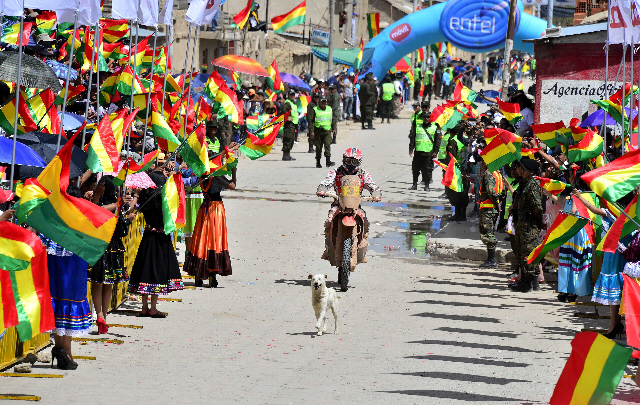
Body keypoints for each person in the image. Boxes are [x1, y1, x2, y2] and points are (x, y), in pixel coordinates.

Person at [45, 185, 92, 371]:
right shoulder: (77, 223)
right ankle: (65, 352)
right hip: (72, 274)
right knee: (67, 306)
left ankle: (61, 350)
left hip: (58, 273)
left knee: (59, 309)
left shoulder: (52, 225)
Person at [128, 171, 184, 315]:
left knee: (145, 269)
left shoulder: (145, 197)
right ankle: (153, 308)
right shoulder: (164, 198)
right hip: (161, 238)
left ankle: (144, 307)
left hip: (148, 237)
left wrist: (136, 195)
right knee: (157, 270)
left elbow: (131, 209)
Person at [316, 148, 382, 270]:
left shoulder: (363, 174)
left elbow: (372, 185)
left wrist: (376, 193)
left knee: (366, 224)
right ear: (343, 160)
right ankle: (328, 248)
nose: (351, 165)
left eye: (354, 162)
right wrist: (322, 189)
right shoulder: (336, 172)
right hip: (338, 204)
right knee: (328, 222)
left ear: (359, 162)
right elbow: (326, 182)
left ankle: (362, 247)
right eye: (348, 161)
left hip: (355, 206)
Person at [87, 175, 131, 335]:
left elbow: (93, 213)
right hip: (113, 248)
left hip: (98, 246)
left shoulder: (97, 204)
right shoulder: (118, 206)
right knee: (108, 284)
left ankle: (99, 314)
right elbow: (122, 229)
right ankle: (104, 316)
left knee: (97, 283)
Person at [509, 159, 544, 292]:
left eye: (521, 169)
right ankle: (528, 281)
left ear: (530, 171)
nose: (519, 170)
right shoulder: (524, 184)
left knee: (528, 252)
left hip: (529, 225)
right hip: (521, 224)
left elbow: (537, 207)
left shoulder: (533, 185)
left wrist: (541, 222)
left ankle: (528, 283)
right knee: (522, 252)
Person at [478, 160, 505, 268]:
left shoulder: (489, 173)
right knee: (491, 232)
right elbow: (502, 192)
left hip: (488, 208)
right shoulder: (498, 174)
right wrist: (498, 202)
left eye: (483, 161)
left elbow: (490, 191)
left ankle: (491, 260)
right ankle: (491, 260)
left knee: (488, 234)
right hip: (493, 209)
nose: (482, 163)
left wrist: (496, 203)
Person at [409, 101, 440, 191]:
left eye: (428, 117)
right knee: (415, 169)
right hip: (418, 151)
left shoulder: (434, 127)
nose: (426, 118)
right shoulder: (418, 126)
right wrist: (411, 148)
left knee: (427, 170)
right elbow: (413, 137)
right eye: (425, 117)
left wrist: (435, 151)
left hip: (428, 152)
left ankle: (427, 185)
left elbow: (438, 141)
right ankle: (414, 184)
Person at [309, 95, 335, 168]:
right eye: (322, 101)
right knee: (318, 147)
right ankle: (318, 162)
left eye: (325, 101)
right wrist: (311, 131)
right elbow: (310, 121)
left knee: (327, 145)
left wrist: (334, 128)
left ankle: (328, 161)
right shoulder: (315, 109)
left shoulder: (329, 109)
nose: (323, 103)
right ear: (319, 102)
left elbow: (332, 119)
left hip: (327, 130)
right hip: (318, 131)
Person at [282, 90, 298, 161]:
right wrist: (287, 118)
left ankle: (288, 155)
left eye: (293, 95)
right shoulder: (287, 103)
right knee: (288, 139)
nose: (292, 96)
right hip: (289, 124)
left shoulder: (293, 103)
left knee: (291, 139)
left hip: (293, 124)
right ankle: (285, 155)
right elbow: (283, 112)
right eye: (291, 95)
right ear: (288, 95)